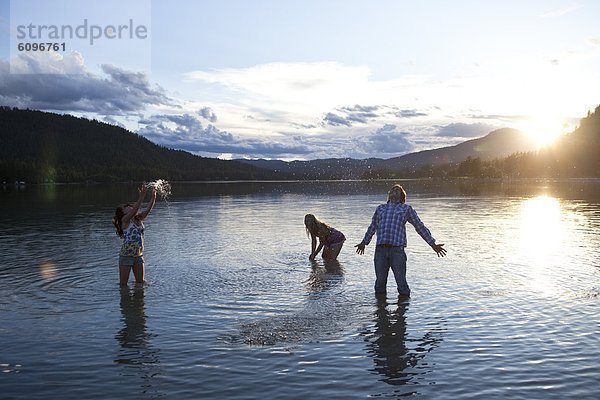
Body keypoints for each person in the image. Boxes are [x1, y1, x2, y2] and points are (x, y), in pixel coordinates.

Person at [355, 184, 446, 297]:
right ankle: (380, 311)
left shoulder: (406, 208)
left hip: (397, 250)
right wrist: (364, 242)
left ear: (402, 196)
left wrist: (432, 244)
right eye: (393, 190)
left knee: (401, 283)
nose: (395, 191)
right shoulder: (380, 208)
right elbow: (372, 227)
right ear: (389, 195)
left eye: (398, 190)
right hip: (380, 250)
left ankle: (402, 311)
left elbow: (419, 226)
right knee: (379, 284)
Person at [112, 184, 157, 286]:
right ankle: (125, 300)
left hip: (138, 255)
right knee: (123, 284)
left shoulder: (138, 219)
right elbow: (134, 211)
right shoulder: (125, 220)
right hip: (126, 256)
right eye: (126, 207)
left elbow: (148, 210)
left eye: (129, 206)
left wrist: (153, 196)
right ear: (123, 212)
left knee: (140, 283)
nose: (129, 206)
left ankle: (138, 302)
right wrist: (141, 196)